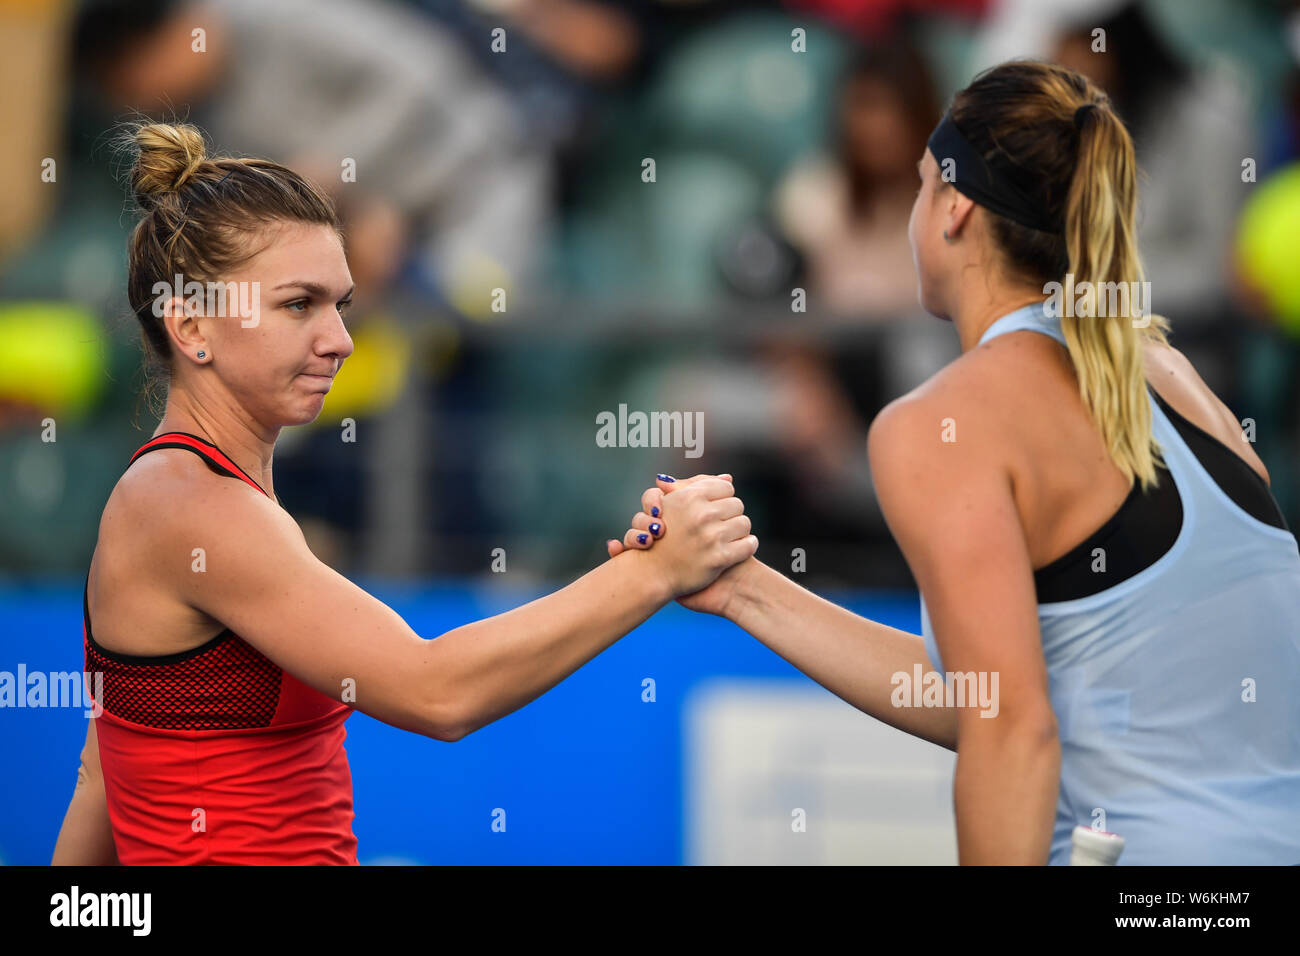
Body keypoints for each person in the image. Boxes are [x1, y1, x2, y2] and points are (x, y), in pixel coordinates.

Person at [612, 60, 1300, 865]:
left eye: (917, 187)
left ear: (955, 206)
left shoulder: (940, 423)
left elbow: (1014, 733)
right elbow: (1003, 695)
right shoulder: (1181, 383)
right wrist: (745, 591)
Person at [50, 123, 756, 866]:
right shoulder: (190, 507)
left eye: (341, 305)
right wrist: (651, 573)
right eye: (300, 305)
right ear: (192, 324)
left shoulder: (190, 496)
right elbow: (437, 692)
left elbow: (105, 772)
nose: (341, 339)